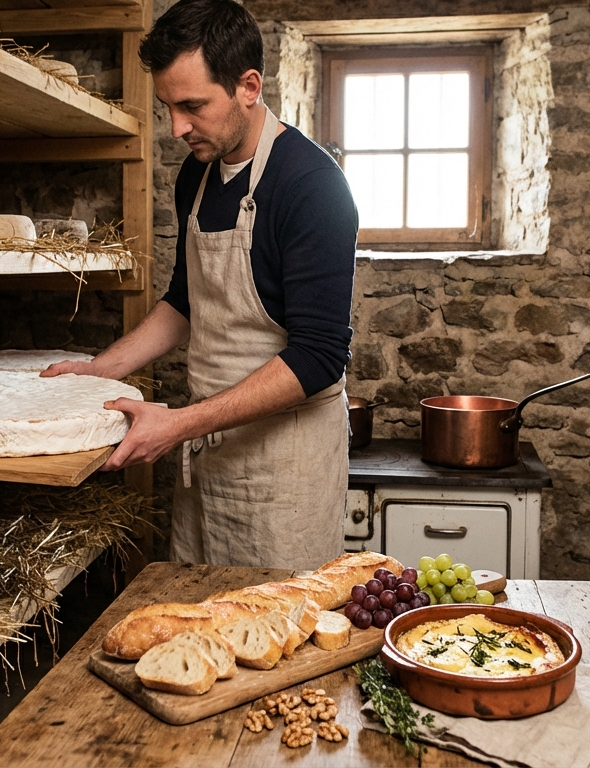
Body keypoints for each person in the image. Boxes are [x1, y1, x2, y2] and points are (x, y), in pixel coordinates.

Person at [40, 0, 358, 571]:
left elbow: (320, 356)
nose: (176, 129)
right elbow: (187, 301)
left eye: (192, 107)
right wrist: (100, 369)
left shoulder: (313, 185)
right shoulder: (197, 172)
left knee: (275, 635)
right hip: (210, 447)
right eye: (167, 107)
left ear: (248, 86)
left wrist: (180, 423)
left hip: (284, 464)